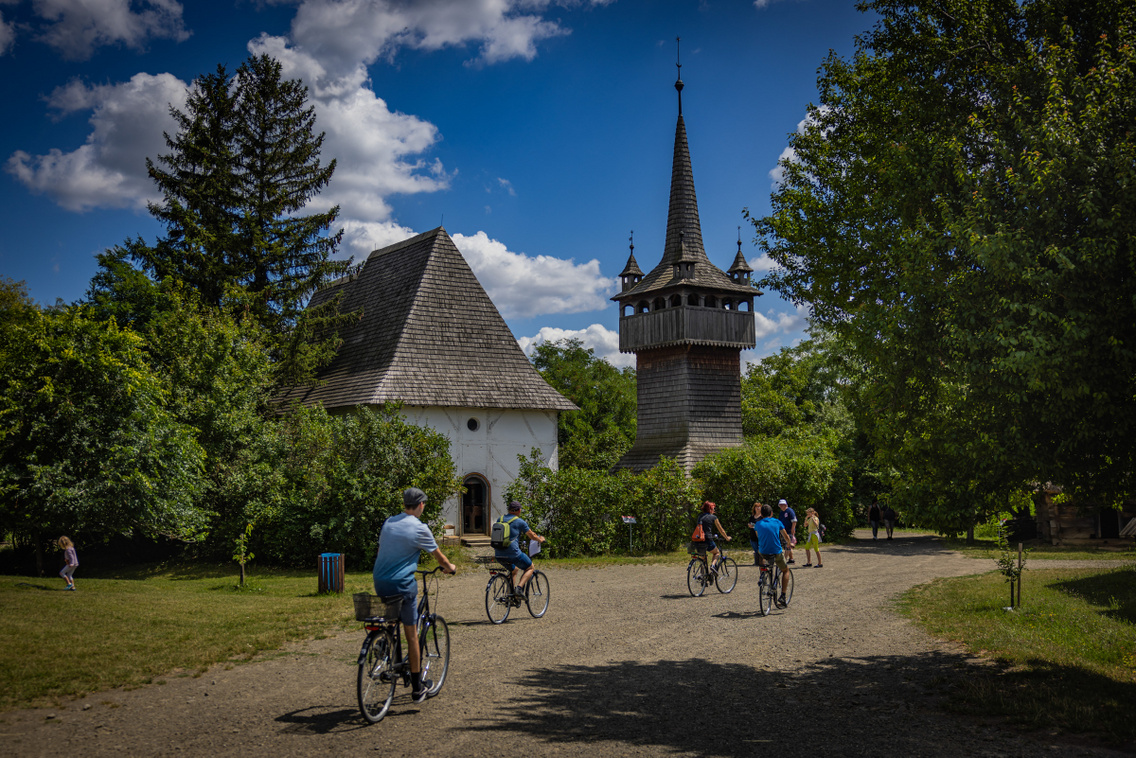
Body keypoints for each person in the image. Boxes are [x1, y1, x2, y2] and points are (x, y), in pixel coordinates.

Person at [372, 487, 456, 703]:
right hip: (402, 584)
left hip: (380, 581)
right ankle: (418, 689)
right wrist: (451, 567)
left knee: (393, 613)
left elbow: (383, 551)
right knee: (412, 634)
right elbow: (440, 558)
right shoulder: (420, 528)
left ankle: (386, 642)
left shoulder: (389, 522)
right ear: (420, 505)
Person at [493, 501, 547, 600]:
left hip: (498, 554)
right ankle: (519, 588)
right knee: (530, 567)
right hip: (513, 554)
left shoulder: (499, 519)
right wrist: (540, 539)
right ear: (519, 510)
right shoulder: (519, 521)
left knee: (514, 570)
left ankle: (511, 595)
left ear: (509, 510)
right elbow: (532, 535)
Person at [755, 503, 791, 605]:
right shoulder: (777, 522)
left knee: (763, 558)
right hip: (776, 551)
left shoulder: (758, 524)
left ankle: (763, 574)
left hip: (763, 552)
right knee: (785, 570)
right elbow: (786, 536)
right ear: (771, 513)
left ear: (761, 514)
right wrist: (789, 544)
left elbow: (759, 537)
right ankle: (783, 596)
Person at [694, 501, 731, 574]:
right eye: (713, 508)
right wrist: (727, 538)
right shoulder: (713, 517)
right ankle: (713, 566)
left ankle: (702, 576)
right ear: (710, 509)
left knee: (703, 558)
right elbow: (721, 530)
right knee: (716, 553)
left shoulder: (700, 517)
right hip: (708, 540)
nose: (714, 510)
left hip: (698, 540)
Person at [777, 499, 797, 564]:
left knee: (788, 545)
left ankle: (784, 559)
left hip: (789, 530)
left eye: (782, 505)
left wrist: (793, 529)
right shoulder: (781, 512)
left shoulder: (790, 511)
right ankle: (791, 558)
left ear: (785, 505)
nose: (781, 506)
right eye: (780, 505)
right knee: (786, 545)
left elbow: (794, 521)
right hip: (783, 531)